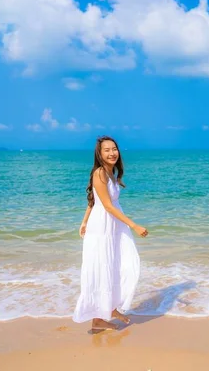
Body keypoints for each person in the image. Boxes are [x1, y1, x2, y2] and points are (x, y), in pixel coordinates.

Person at [72, 136, 148, 331]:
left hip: (111, 226)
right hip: (102, 228)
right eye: (107, 150)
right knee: (103, 267)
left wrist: (83, 220)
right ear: (99, 153)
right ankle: (99, 317)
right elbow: (105, 205)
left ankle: (109, 309)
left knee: (117, 264)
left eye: (114, 149)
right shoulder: (99, 173)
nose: (112, 153)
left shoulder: (110, 172)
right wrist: (134, 225)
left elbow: (93, 200)